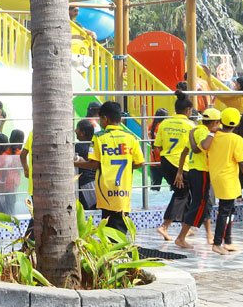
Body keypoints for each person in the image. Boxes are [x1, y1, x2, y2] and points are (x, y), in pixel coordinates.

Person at [85, 102, 143, 230]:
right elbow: (140, 162)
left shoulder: (99, 137)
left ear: (105, 118)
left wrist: (74, 162)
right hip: (123, 190)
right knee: (121, 228)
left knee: (108, 227)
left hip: (105, 191)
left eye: (101, 119)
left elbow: (94, 163)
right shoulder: (131, 137)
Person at [207, 108, 243, 253]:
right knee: (224, 211)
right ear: (237, 123)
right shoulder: (236, 139)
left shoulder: (214, 136)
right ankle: (217, 244)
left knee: (230, 210)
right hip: (227, 179)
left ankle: (228, 241)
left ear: (221, 121)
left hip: (219, 177)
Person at [153, 91, 196, 240]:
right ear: (188, 110)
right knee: (181, 194)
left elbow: (157, 145)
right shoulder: (190, 125)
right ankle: (165, 226)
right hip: (181, 164)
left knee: (183, 192)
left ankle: (186, 226)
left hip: (165, 161)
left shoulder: (164, 123)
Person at [175, 108, 219, 250]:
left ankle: (207, 234)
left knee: (203, 204)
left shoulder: (196, 130)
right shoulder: (204, 132)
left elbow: (184, 152)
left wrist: (180, 172)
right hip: (201, 171)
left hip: (194, 171)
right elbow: (199, 148)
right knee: (199, 205)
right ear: (214, 122)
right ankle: (181, 237)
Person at [74, 119, 97, 211]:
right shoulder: (94, 145)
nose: (75, 131)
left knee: (87, 211)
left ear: (82, 133)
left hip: (86, 184)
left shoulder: (79, 147)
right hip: (95, 183)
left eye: (77, 129)